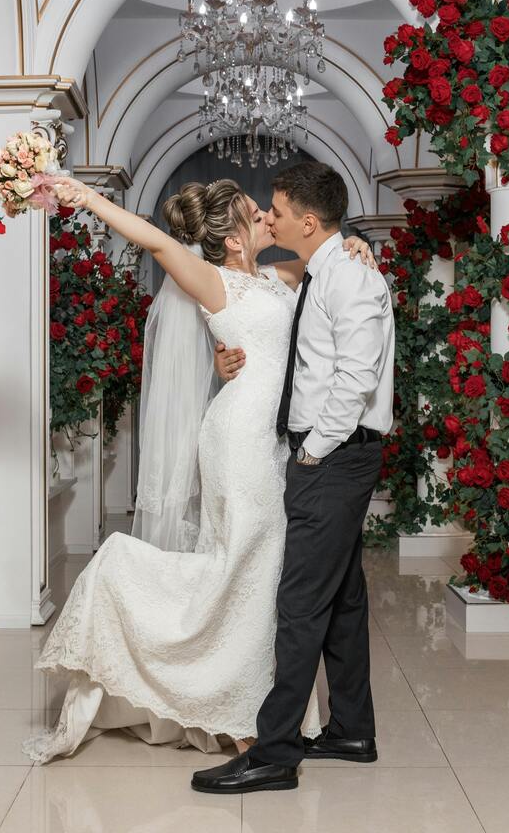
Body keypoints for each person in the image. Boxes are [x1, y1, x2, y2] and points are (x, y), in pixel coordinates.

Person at [22, 175, 375, 762]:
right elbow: (158, 244)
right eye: (254, 212)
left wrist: (356, 241)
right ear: (233, 240)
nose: (267, 215)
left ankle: (248, 706)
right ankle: (242, 714)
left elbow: (327, 260)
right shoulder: (215, 281)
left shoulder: (285, 276)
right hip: (238, 438)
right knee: (246, 562)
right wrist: (87, 198)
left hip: (277, 440)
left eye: (269, 210)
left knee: (261, 571)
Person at [191, 161, 395, 794]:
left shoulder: (349, 278)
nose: (266, 217)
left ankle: (275, 751)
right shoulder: (323, 269)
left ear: (308, 222)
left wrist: (315, 451)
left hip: (333, 455)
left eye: (275, 210)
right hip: (329, 451)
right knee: (341, 598)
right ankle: (352, 730)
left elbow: (356, 380)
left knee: (299, 601)